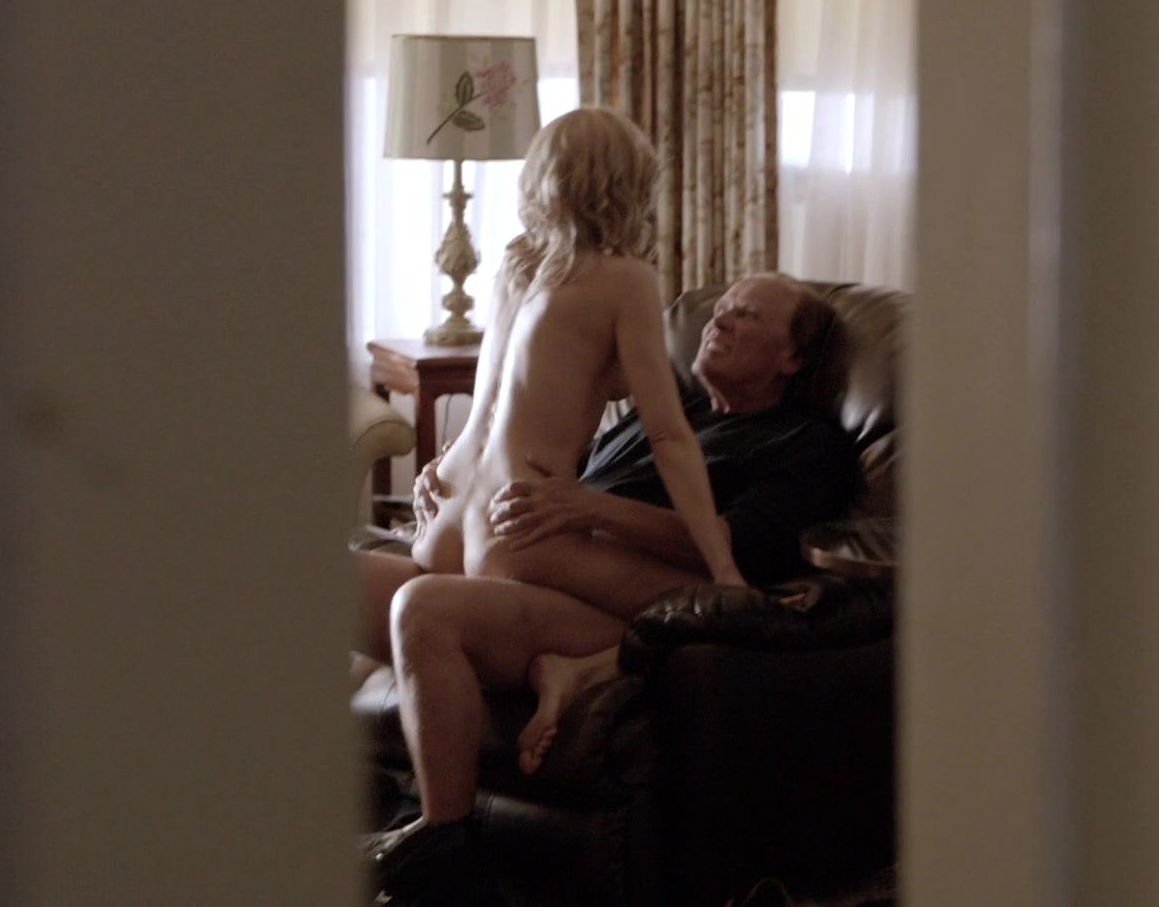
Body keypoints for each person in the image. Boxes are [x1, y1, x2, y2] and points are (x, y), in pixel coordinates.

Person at [357, 269, 857, 902]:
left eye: (748, 315)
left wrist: (592, 510)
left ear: (792, 357)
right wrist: (448, 476)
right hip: (537, 570)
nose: (720, 319)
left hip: (618, 606)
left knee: (425, 606)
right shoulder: (665, 414)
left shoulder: (807, 443)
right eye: (723, 307)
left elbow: (736, 547)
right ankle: (374, 799)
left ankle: (444, 848)